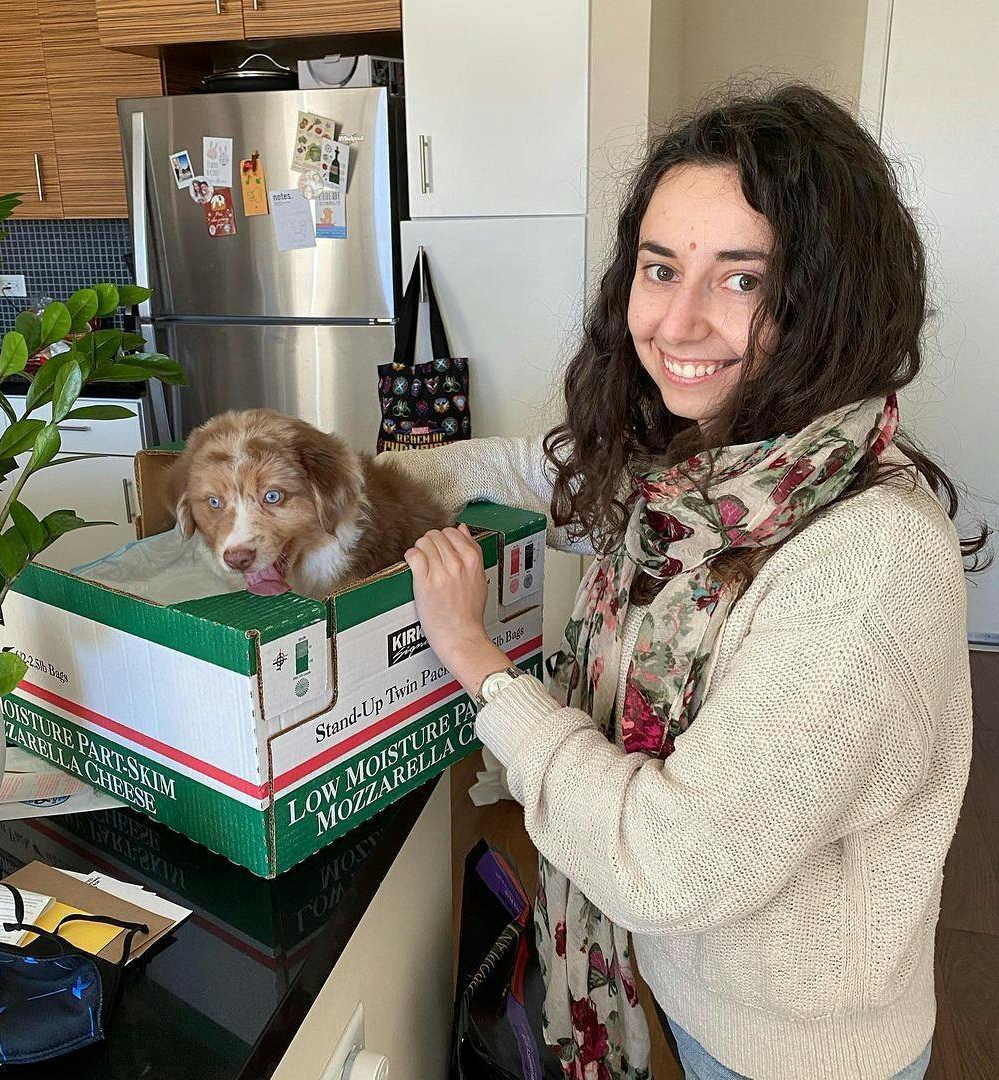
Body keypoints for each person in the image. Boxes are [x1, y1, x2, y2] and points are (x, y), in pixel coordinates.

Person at [393, 84, 986, 1080]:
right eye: (661, 268)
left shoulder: (868, 562)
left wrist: (479, 664)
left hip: (799, 1053)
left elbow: (673, 866)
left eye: (742, 279)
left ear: (831, 300)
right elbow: (528, 472)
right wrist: (338, 486)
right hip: (687, 986)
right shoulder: (700, 470)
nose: (677, 321)